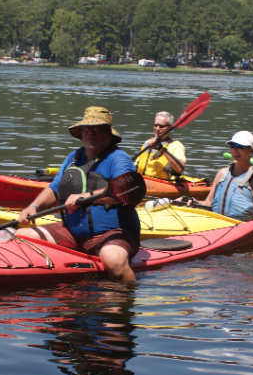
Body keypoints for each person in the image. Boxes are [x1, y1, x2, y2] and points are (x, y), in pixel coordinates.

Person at [17, 107, 142, 282]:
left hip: (112, 234)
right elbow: (54, 188)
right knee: (23, 237)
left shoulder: (118, 158)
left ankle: (127, 302)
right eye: (87, 129)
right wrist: (33, 207)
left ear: (108, 133)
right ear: (81, 133)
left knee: (114, 262)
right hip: (72, 233)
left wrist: (86, 195)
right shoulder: (73, 157)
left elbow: (127, 190)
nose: (91, 133)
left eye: (97, 129)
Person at [184, 131, 253, 222]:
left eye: (240, 146)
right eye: (232, 146)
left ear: (251, 151)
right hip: (217, 225)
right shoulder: (222, 173)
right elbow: (208, 203)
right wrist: (193, 201)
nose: (235, 149)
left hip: (245, 227)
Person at [134, 110, 186, 180]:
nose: (157, 128)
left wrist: (162, 149)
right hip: (143, 182)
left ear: (170, 128)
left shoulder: (177, 146)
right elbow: (135, 167)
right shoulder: (147, 143)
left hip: (164, 184)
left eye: (161, 126)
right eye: (155, 125)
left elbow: (180, 169)